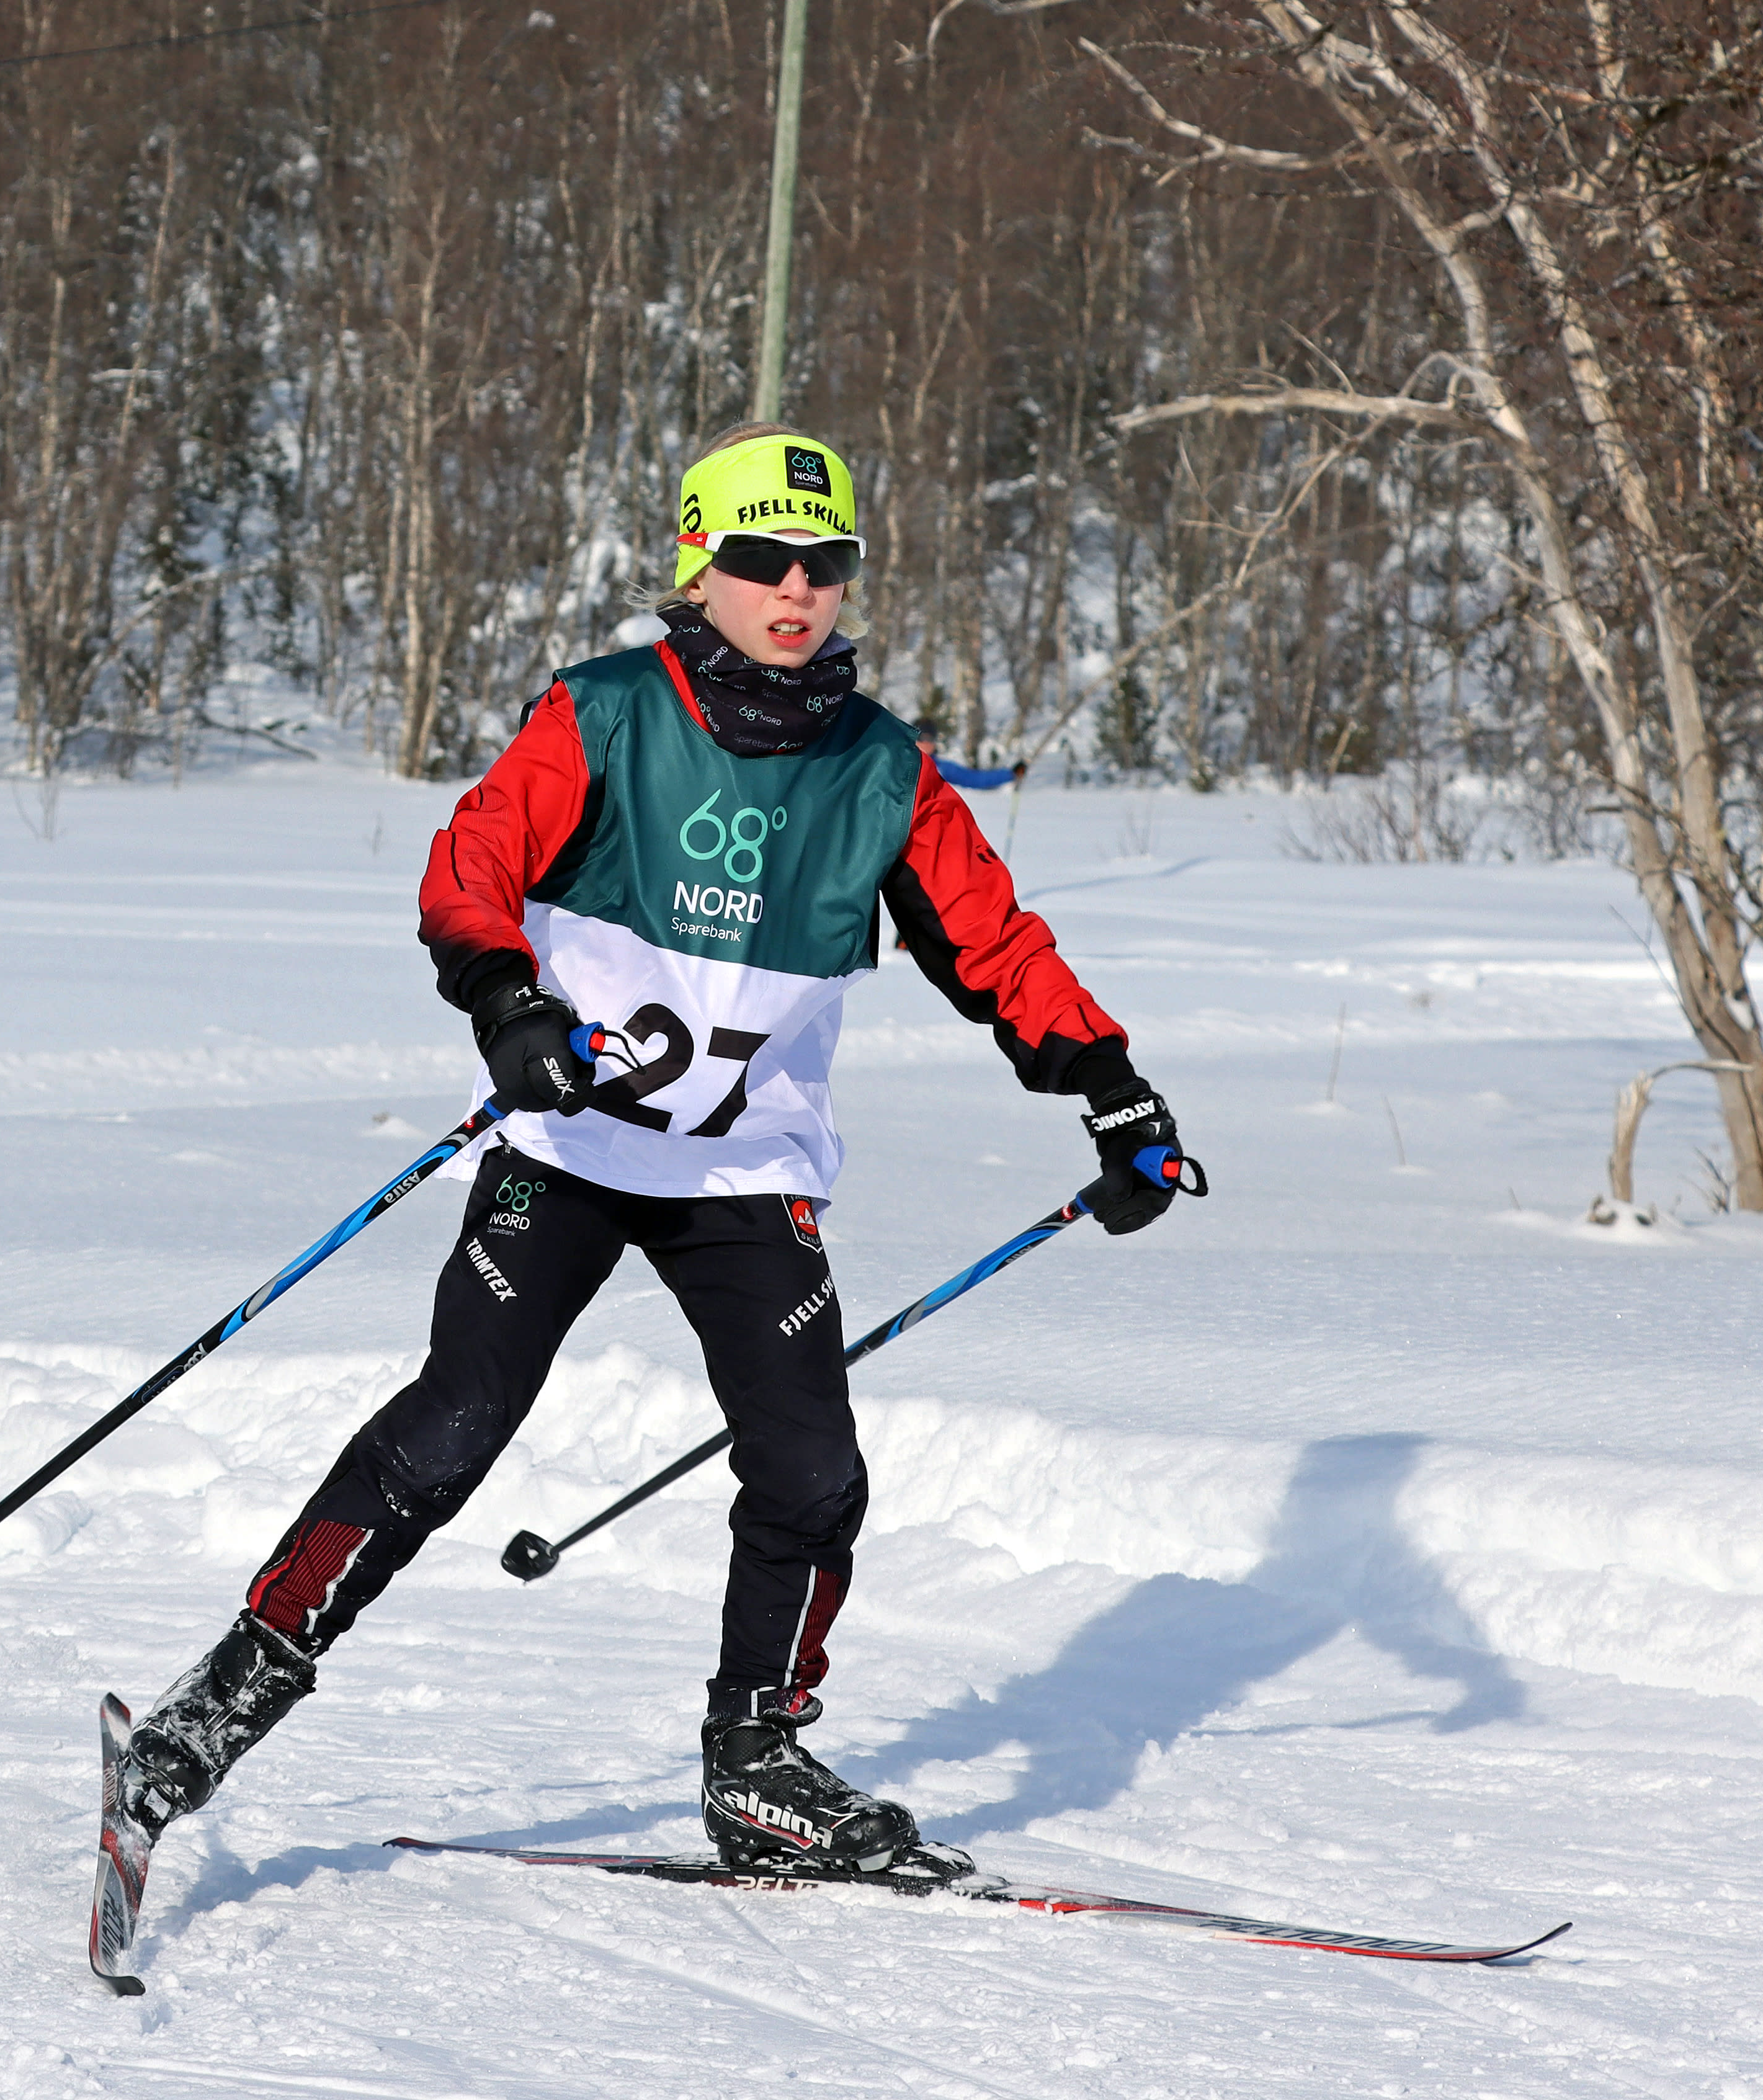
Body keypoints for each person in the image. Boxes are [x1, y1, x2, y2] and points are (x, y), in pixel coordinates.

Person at [107, 426, 1197, 1885]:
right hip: (565, 1142)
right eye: (760, 558)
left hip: (741, 1175)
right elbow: (470, 867)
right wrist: (508, 1004)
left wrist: (1112, 1090)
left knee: (811, 1468)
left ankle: (758, 1767)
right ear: (699, 566)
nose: (795, 588)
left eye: (823, 562)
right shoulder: (605, 715)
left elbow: (992, 945)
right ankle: (214, 1706)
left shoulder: (883, 771)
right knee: (455, 1426)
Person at [911, 720, 1025, 792]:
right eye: (922, 738)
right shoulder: (904, 764)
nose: (926, 743)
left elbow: (975, 779)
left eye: (930, 739)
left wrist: (1010, 774)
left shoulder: (941, 769)